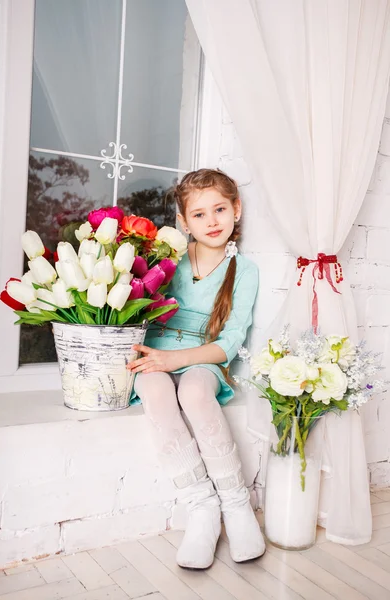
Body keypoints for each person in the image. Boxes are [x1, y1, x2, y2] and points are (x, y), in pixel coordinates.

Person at [127, 168, 265, 569]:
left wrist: (180, 360)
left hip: (203, 358)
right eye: (200, 215)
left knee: (194, 391)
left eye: (220, 209)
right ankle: (202, 506)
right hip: (154, 352)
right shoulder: (167, 261)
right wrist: (160, 360)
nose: (212, 222)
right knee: (155, 391)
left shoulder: (245, 270)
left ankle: (236, 504)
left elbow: (230, 342)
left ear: (236, 210)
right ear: (183, 222)